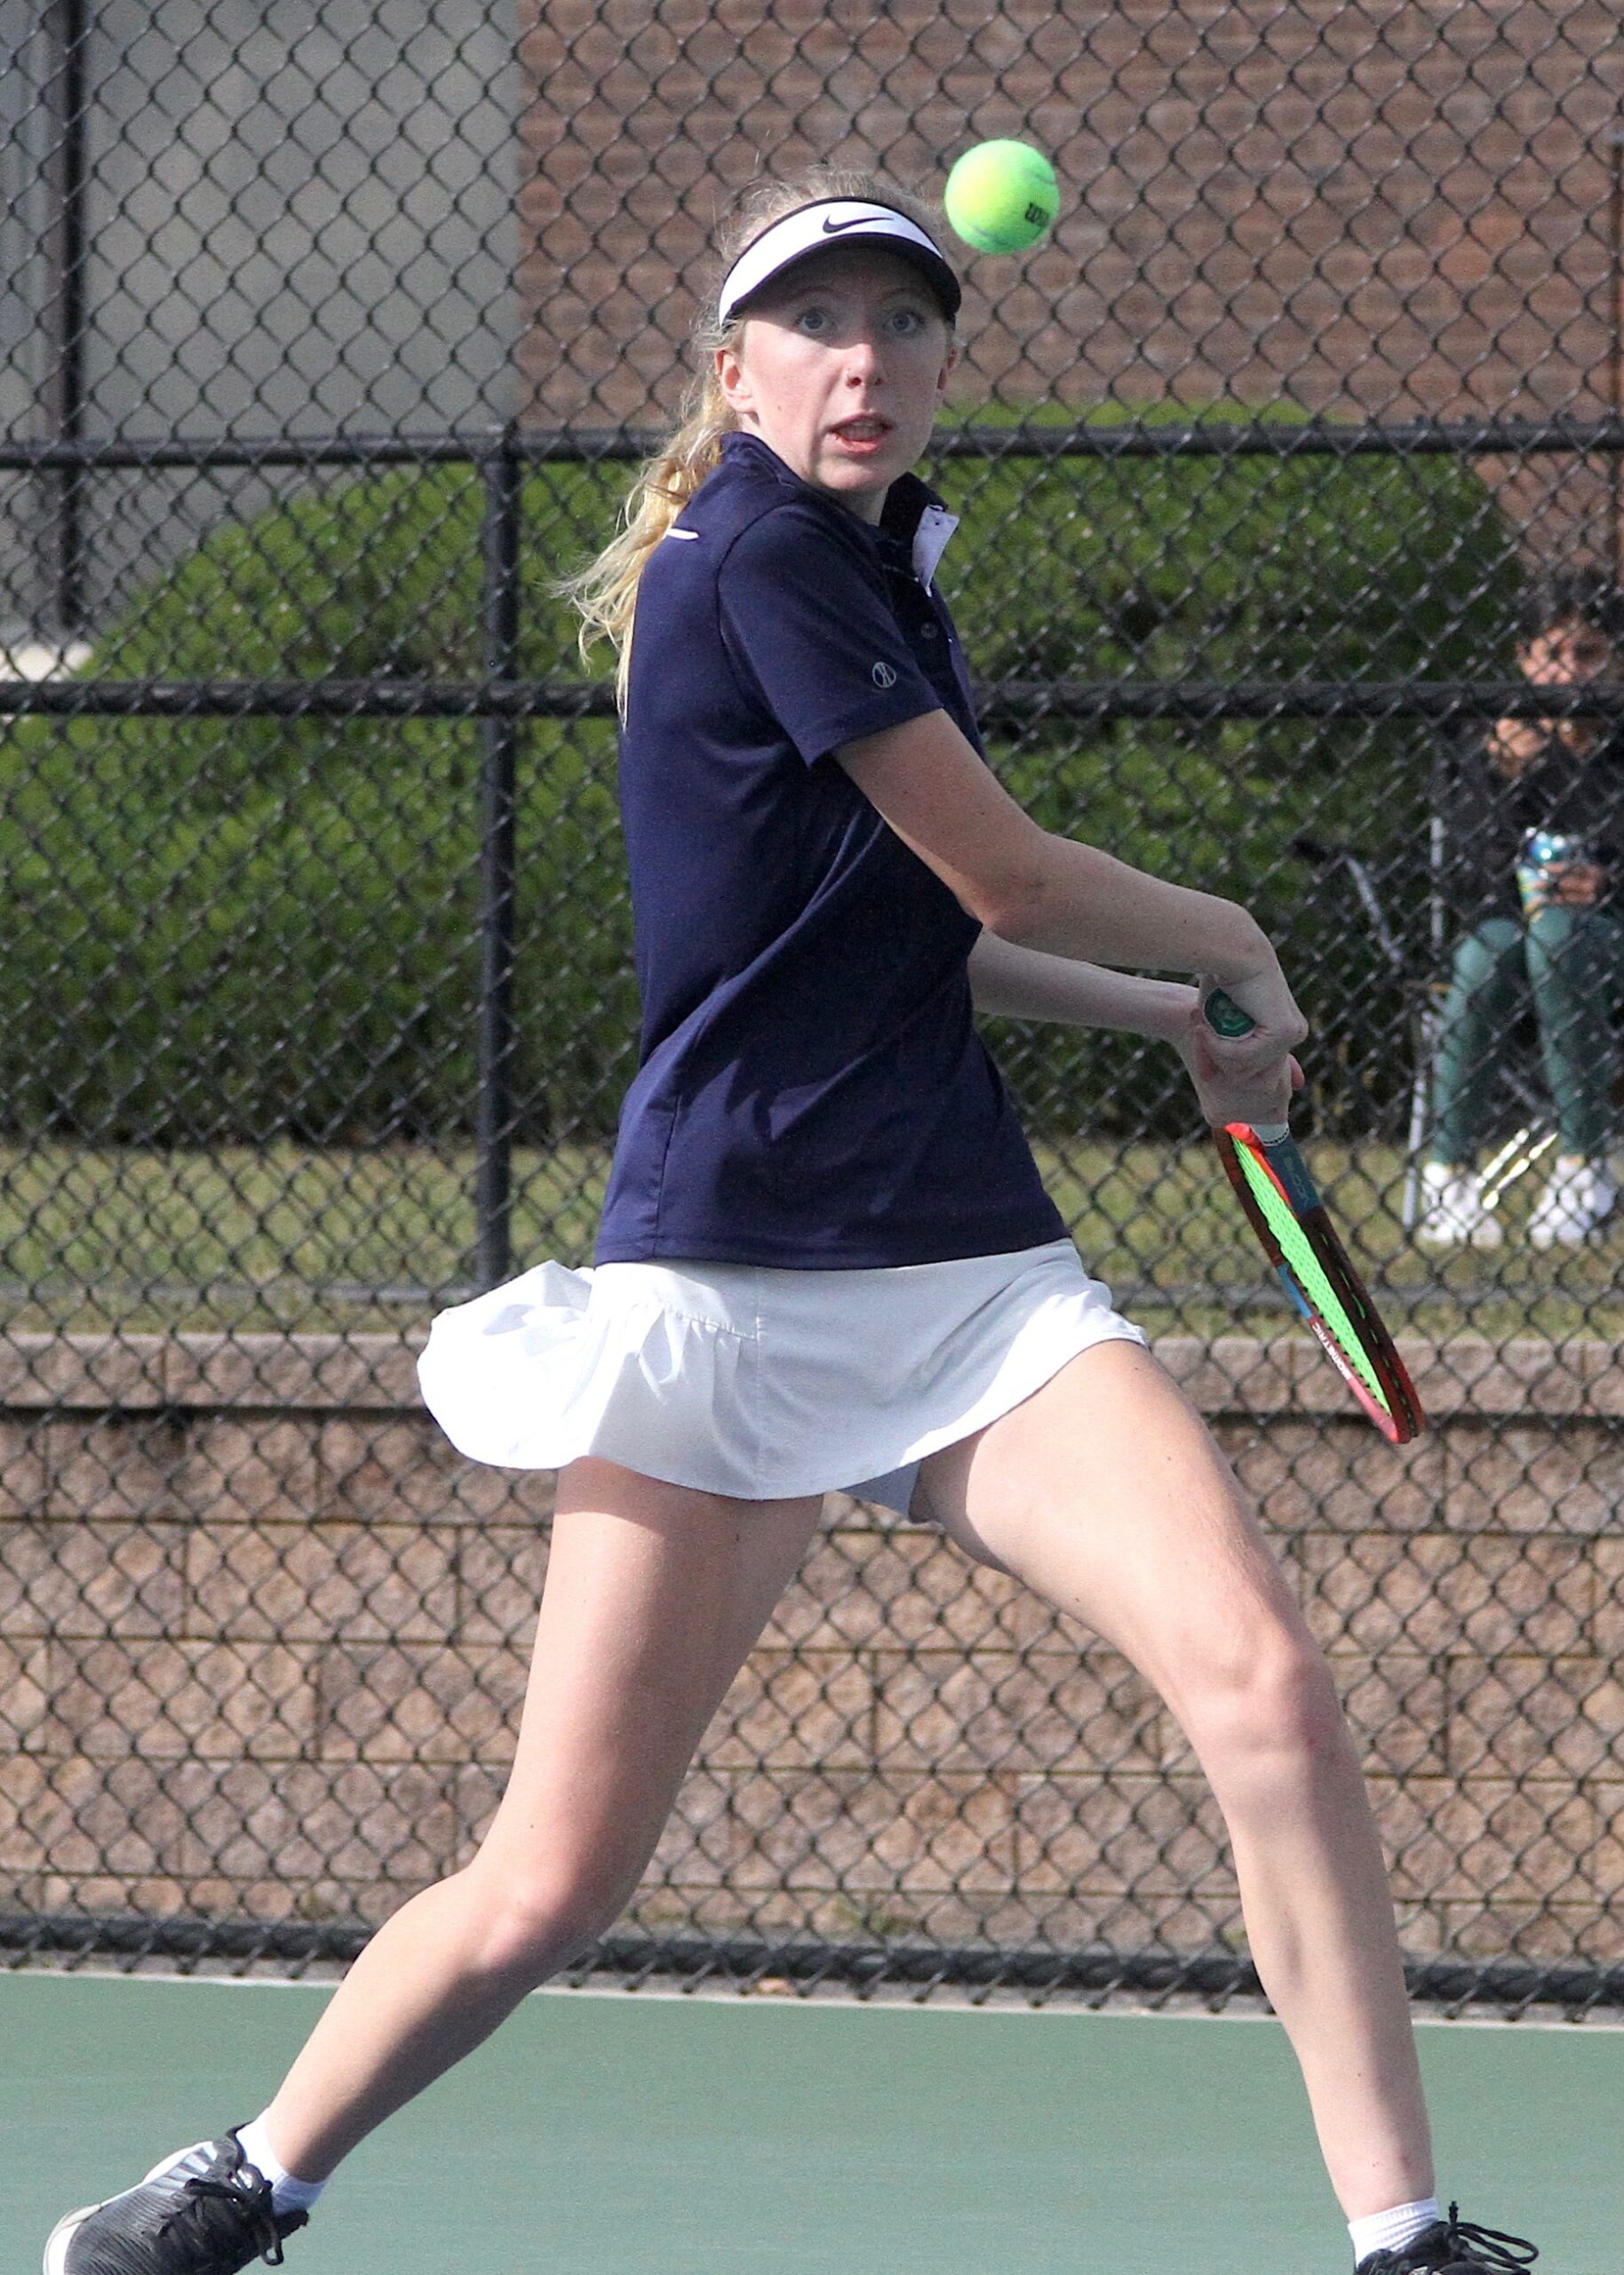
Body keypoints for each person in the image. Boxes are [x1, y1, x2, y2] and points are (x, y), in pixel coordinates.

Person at [46, 171, 1538, 2275]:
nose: (866, 362)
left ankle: (1407, 2230)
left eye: (905, 325)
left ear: (944, 361)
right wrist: (1234, 940)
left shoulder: (866, 571)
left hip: (968, 1283)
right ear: (732, 369)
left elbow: (915, 933)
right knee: (557, 1872)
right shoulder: (755, 555)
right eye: (816, 325)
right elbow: (1005, 874)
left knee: (1264, 1681)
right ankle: (240, 2175)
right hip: (727, 1298)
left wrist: (1168, 1019)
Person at [1419, 567, 1624, 1249]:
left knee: (1561, 931)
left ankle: (1583, 1165)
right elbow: (1467, 878)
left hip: (1608, 940)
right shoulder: (1484, 744)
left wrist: (1607, 882)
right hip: (1509, 935)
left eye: (1589, 653)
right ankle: (1446, 1174)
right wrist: (1499, 776)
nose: (1570, 672)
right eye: (1553, 652)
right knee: (1493, 947)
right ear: (1523, 657)